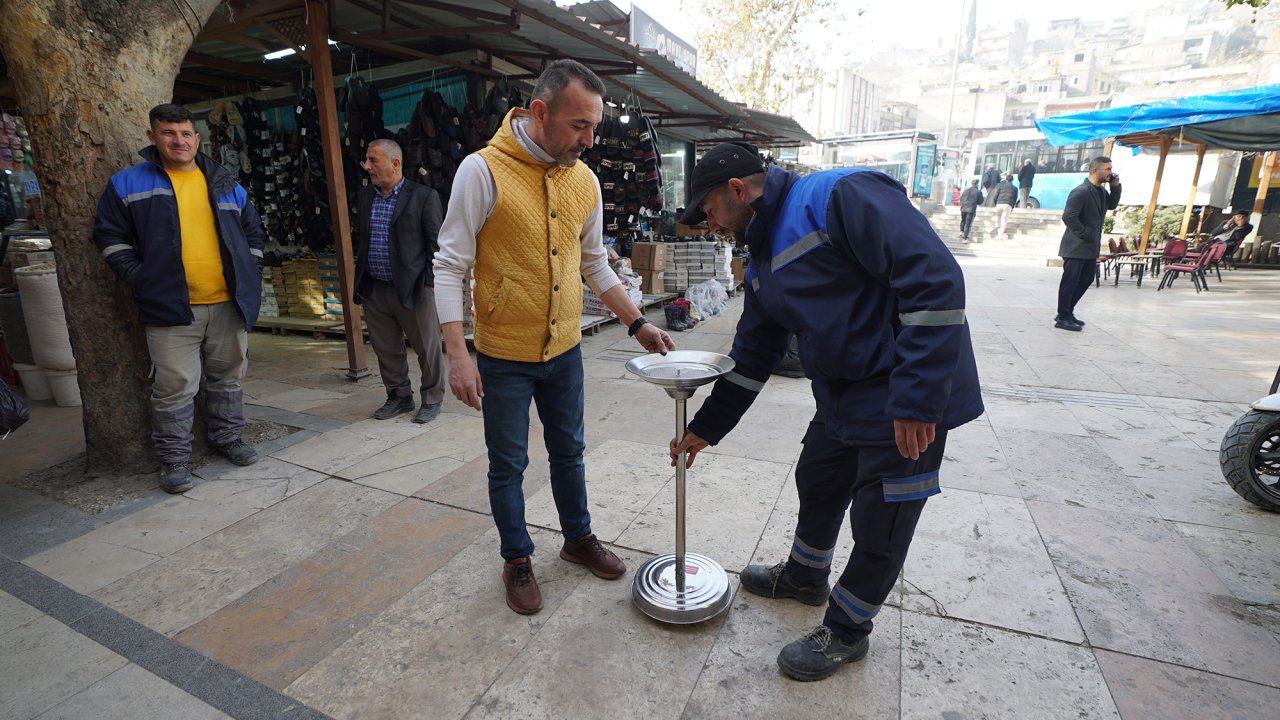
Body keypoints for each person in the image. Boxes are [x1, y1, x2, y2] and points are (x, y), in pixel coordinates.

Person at [669, 142, 983, 682]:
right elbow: (753, 354)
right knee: (818, 477)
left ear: (738, 191)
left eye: (710, 212)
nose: (711, 226)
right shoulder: (763, 255)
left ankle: (846, 630)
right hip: (843, 392)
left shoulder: (839, 195)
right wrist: (705, 428)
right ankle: (805, 577)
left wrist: (915, 400)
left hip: (905, 391)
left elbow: (935, 279)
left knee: (882, 519)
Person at [433, 59, 676, 615]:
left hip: (564, 349)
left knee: (570, 452)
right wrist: (457, 354)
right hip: (503, 355)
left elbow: (595, 264)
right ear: (539, 112)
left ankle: (577, 538)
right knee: (508, 463)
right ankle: (517, 557)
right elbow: (449, 266)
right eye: (579, 126)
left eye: (594, 126)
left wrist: (636, 322)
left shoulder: (583, 180)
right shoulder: (482, 171)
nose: (590, 140)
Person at [92, 104, 264, 493]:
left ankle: (227, 439)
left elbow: (253, 231)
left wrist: (249, 271)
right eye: (169, 133)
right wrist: (141, 277)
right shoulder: (128, 183)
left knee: (229, 377)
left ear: (197, 138)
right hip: (169, 307)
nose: (179, 141)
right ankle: (174, 460)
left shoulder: (223, 182)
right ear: (153, 138)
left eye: (186, 133)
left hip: (227, 303)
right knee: (174, 386)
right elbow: (109, 236)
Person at [353, 139, 446, 424]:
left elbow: (436, 245)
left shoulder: (423, 196)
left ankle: (432, 398)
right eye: (366, 160)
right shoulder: (366, 196)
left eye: (373, 160)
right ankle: (399, 396)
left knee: (427, 348)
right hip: (376, 288)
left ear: (395, 164)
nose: (366, 166)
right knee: (386, 348)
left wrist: (429, 284)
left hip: (414, 287)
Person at [1056, 156, 1121, 332]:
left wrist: (1115, 187)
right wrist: (1086, 234)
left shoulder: (1100, 191)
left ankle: (1067, 312)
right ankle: (1063, 316)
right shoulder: (1081, 191)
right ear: (1095, 170)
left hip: (1089, 247)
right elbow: (1069, 217)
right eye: (1107, 169)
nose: (1111, 172)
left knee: (1086, 279)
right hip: (1076, 246)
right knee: (1070, 282)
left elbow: (1112, 205)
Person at [992, 173, 1017, 238]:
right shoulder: (1014, 188)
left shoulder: (1000, 186)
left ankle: (999, 229)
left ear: (1006, 179)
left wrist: (995, 203)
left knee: (999, 218)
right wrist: (1012, 206)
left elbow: (995, 195)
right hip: (1007, 204)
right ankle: (999, 235)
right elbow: (1015, 198)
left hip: (999, 204)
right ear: (1012, 180)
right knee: (1004, 220)